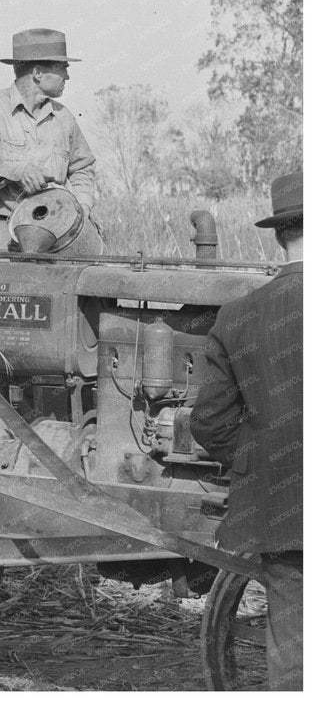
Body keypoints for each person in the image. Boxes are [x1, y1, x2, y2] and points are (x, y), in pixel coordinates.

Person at [191, 170, 302, 690]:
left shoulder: (236, 316)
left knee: (297, 656)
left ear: (281, 235)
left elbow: (209, 421)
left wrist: (264, 458)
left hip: (286, 510)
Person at [0, 28, 98, 251]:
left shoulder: (64, 118)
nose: (67, 76)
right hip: (4, 240)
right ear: (38, 72)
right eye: (62, 68)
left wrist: (83, 206)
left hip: (59, 241)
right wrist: (16, 172)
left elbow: (83, 168)